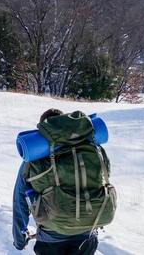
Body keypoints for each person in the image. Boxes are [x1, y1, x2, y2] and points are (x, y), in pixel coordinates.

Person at [12, 109, 116, 254]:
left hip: (52, 237)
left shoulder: (34, 158)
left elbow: (20, 200)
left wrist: (19, 239)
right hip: (88, 233)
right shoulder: (93, 149)